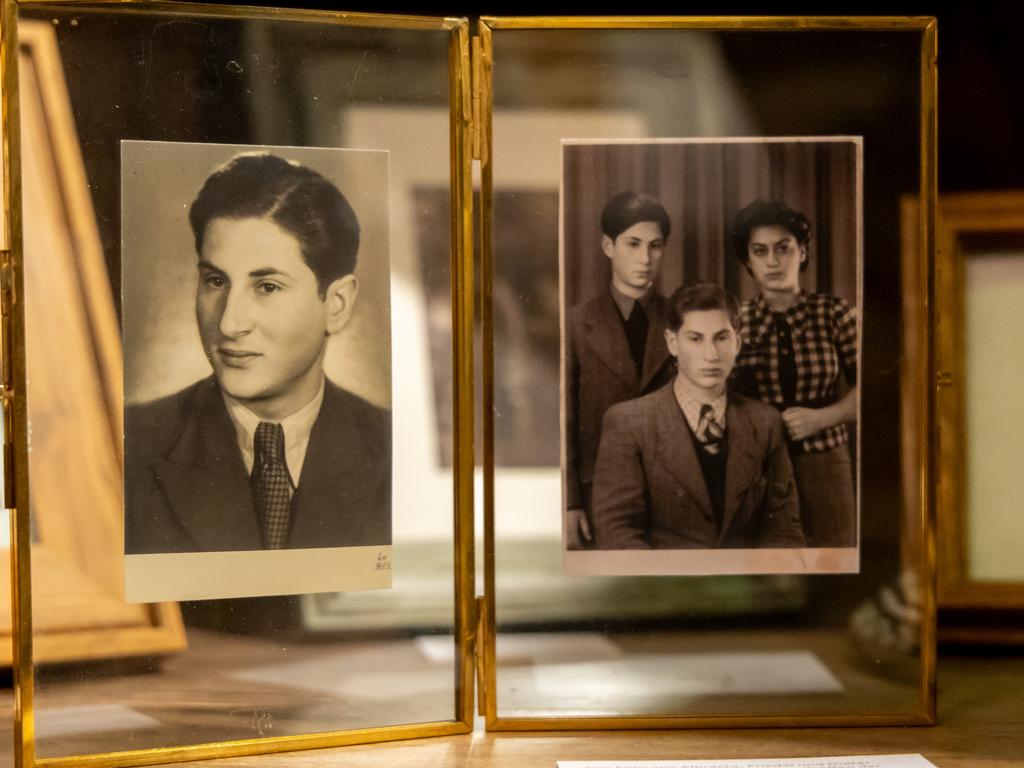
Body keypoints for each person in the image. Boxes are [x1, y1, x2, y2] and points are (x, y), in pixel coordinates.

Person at [125, 153, 390, 554]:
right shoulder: (129, 443)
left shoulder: (390, 446)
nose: (230, 324)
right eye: (216, 281)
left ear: (336, 304)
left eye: (267, 287)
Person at [590, 283, 803, 550]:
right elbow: (617, 532)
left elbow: (784, 530)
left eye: (721, 337)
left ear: (737, 342)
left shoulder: (765, 422)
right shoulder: (628, 422)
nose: (711, 355)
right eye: (695, 338)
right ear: (672, 343)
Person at [729, 199, 858, 548]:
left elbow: (875, 386)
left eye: (783, 248)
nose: (773, 261)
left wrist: (825, 417)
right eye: (760, 251)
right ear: (748, 262)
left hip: (826, 463)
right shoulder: (735, 322)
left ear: (802, 252)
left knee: (835, 557)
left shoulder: (836, 313)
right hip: (758, 468)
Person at [564, 191, 677, 550]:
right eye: (633, 244)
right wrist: (571, 503)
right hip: (600, 492)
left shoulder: (683, 319)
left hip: (673, 490)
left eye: (655, 245)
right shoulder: (577, 324)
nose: (645, 258)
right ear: (608, 246)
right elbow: (566, 419)